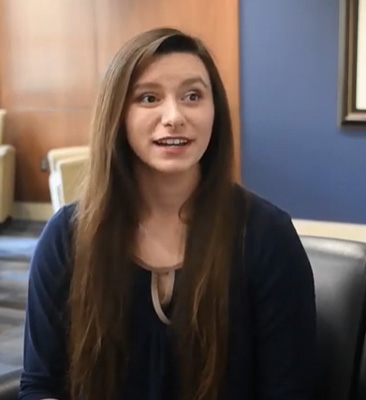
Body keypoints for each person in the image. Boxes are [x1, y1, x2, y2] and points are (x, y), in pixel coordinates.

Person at [19, 27, 316, 400]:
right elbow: (40, 385)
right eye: (149, 98)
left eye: (193, 96)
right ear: (118, 115)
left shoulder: (266, 236)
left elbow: (291, 390)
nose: (174, 116)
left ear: (215, 112)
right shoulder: (67, 236)